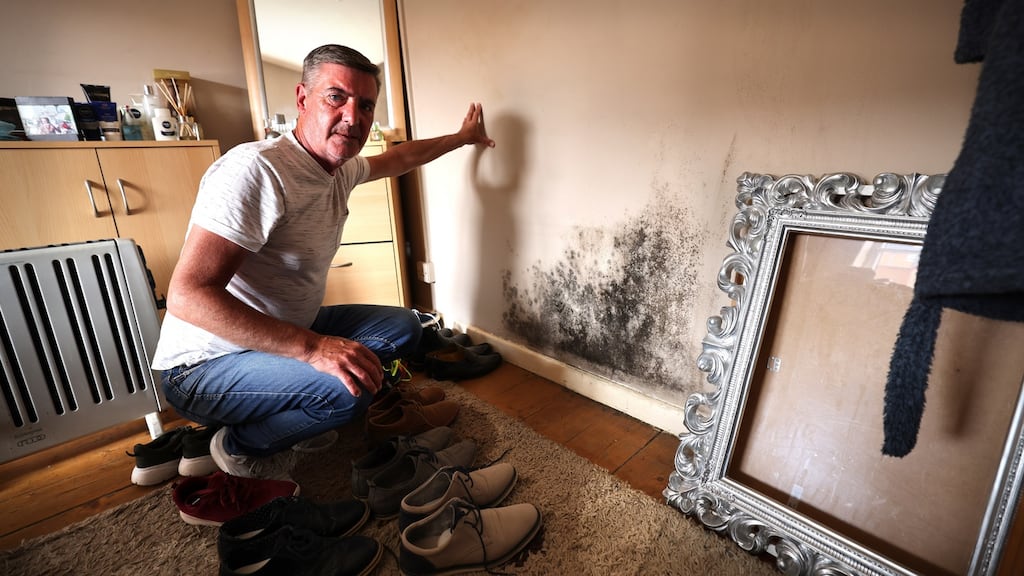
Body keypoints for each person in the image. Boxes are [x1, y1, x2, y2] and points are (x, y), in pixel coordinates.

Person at [151, 44, 495, 479]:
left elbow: (401, 157)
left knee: (405, 327)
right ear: (302, 99)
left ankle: (289, 404)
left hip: (286, 329)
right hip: (203, 366)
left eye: (365, 105)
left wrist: (462, 139)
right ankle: (234, 443)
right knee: (346, 391)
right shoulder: (256, 171)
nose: (353, 117)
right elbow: (186, 296)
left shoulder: (339, 169)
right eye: (337, 97)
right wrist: (313, 349)